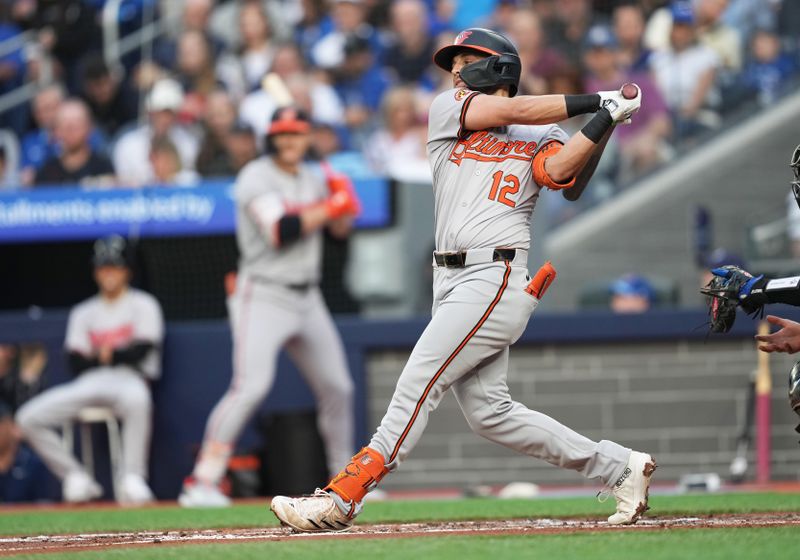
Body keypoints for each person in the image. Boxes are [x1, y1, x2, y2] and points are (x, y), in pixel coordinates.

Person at [270, 27, 656, 533]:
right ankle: (619, 467)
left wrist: (605, 118)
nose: (454, 68)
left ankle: (343, 496)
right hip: (449, 279)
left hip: (493, 274)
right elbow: (510, 112)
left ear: (498, 67)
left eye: (466, 58)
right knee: (490, 414)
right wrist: (595, 100)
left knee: (418, 381)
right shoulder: (447, 110)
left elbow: (565, 176)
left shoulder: (541, 133)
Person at [178, 107, 361, 507]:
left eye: (297, 133)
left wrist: (344, 204)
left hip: (307, 295)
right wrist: (332, 206)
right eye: (283, 134)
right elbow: (282, 230)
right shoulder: (255, 176)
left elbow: (338, 234)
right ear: (272, 139)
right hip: (262, 293)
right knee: (251, 387)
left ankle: (346, 484)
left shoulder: (314, 177)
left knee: (339, 388)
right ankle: (203, 481)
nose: (290, 141)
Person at [15, 236, 164, 505]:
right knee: (28, 417)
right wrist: (114, 355)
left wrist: (105, 354)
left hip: (129, 379)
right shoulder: (84, 311)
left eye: (114, 266)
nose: (108, 272)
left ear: (127, 270)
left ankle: (133, 477)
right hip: (89, 382)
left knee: (139, 400)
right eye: (103, 266)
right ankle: (75, 477)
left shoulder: (144, 304)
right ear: (95, 271)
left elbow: (142, 351)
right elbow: (76, 361)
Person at [112, 78, 200, 187]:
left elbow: (190, 182)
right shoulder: (128, 145)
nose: (164, 118)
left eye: (168, 113)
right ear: (150, 112)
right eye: (159, 112)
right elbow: (122, 185)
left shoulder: (188, 143)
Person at [34, 99, 115, 187]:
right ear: (56, 131)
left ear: (89, 128)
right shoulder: (46, 173)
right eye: (64, 126)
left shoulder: (104, 168)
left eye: (76, 125)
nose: (70, 132)